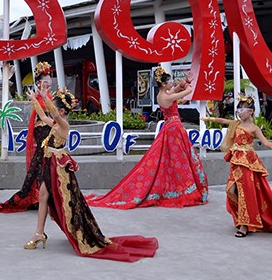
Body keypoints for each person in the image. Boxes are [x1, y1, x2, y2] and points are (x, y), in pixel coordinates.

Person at [22, 87, 158, 261]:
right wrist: (35, 99)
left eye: (53, 107)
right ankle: (39, 233)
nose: (50, 110)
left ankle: (70, 232)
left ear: (61, 111)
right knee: (42, 196)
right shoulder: (55, 124)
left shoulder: (63, 124)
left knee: (68, 203)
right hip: (49, 164)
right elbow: (42, 117)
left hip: (58, 169)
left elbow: (53, 115)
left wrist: (43, 97)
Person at [86, 66, 208, 208]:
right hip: (174, 129)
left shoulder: (163, 94)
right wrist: (186, 84)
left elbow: (176, 91)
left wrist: (181, 84)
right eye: (169, 82)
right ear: (163, 84)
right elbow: (188, 91)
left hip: (172, 128)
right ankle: (180, 190)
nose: (171, 84)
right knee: (177, 159)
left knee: (172, 159)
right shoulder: (166, 96)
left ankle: (177, 188)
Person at [202, 94, 272, 237]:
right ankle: (242, 217)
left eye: (242, 110)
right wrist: (207, 118)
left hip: (248, 163)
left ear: (250, 112)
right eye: (238, 110)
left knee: (245, 193)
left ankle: (245, 225)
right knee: (230, 191)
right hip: (236, 161)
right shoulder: (236, 124)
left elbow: (266, 142)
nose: (239, 112)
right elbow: (223, 120)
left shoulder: (254, 128)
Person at [0, 61, 54, 213]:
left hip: (50, 130)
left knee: (45, 163)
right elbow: (40, 114)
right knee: (40, 162)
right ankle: (37, 195)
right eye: (45, 81)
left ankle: (46, 195)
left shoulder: (50, 96)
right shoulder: (38, 97)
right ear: (38, 83)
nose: (48, 83)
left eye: (49, 80)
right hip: (42, 131)